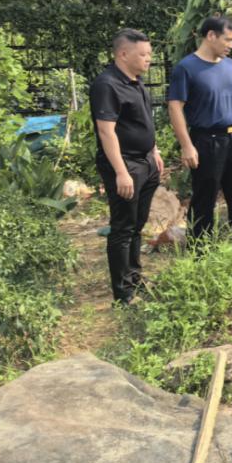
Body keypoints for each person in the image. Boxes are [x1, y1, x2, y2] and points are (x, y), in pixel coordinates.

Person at [168, 16, 232, 241]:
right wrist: (187, 145)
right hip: (206, 141)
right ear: (210, 36)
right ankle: (200, 249)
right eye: (227, 40)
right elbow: (175, 107)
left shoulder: (231, 66)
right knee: (205, 197)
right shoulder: (187, 68)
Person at [90, 28, 164, 305]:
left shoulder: (137, 82)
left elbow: (142, 122)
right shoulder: (107, 85)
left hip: (146, 161)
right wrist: (121, 172)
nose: (149, 59)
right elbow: (106, 131)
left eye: (149, 54)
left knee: (137, 225)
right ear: (123, 54)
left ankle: (134, 277)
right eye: (143, 54)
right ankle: (123, 293)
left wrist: (154, 150)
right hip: (125, 165)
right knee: (123, 227)